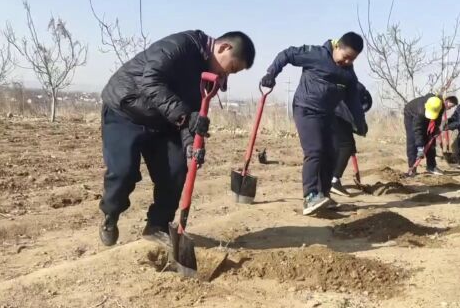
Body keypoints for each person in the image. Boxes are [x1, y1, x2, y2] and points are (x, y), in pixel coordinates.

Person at [99, 30, 255, 246]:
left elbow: (191, 117)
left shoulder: (210, 78)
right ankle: (110, 215)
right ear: (223, 48)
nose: (226, 76)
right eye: (231, 69)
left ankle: (157, 225)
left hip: (164, 120)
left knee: (176, 169)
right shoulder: (180, 45)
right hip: (126, 109)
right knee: (124, 171)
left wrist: (191, 145)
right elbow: (150, 81)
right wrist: (184, 116)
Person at [260, 32, 365, 215]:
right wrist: (271, 73)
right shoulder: (317, 54)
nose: (348, 62)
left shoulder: (348, 72)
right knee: (315, 150)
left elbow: (353, 98)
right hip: (306, 108)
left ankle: (323, 196)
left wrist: (360, 121)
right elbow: (288, 54)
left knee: (333, 152)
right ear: (337, 47)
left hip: (328, 113)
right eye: (346, 57)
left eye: (352, 60)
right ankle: (310, 196)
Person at [330, 82, 372, 196]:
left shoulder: (352, 88)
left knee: (337, 144)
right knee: (346, 146)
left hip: (322, 109)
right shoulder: (358, 94)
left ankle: (326, 179)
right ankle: (334, 181)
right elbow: (358, 123)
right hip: (335, 113)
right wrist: (362, 129)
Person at [404, 94, 449, 176]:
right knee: (412, 139)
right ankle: (412, 167)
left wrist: (436, 128)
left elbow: (437, 118)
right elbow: (418, 130)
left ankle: (431, 166)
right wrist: (420, 148)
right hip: (411, 114)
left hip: (424, 114)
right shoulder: (419, 112)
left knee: (430, 138)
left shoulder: (440, 106)